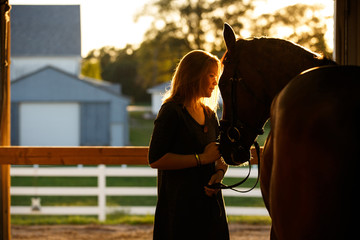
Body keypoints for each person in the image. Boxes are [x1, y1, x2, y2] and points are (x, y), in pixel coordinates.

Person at [148, 50, 229, 240]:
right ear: (193, 75)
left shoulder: (210, 115)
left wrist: (218, 175)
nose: (215, 82)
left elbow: (219, 157)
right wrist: (201, 159)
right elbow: (156, 159)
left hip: (211, 208)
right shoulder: (171, 111)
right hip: (179, 210)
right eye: (211, 75)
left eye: (216, 76)